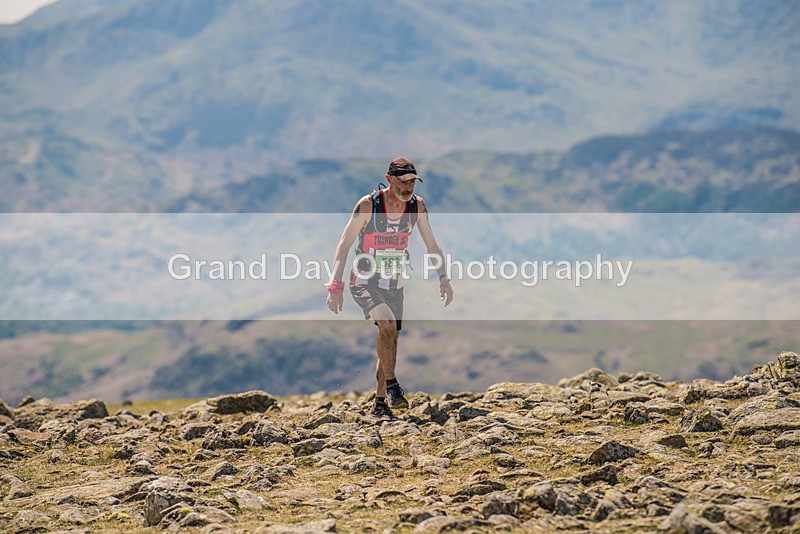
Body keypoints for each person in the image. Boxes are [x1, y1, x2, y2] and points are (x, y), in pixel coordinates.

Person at [326, 157, 454, 418]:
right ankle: (394, 385)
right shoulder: (369, 205)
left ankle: (380, 403)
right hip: (364, 279)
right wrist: (335, 286)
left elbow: (432, 244)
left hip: (394, 282)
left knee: (390, 338)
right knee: (386, 326)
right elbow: (344, 244)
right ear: (389, 179)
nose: (409, 188)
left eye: (412, 183)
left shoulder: (417, 207)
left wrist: (443, 278)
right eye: (404, 182)